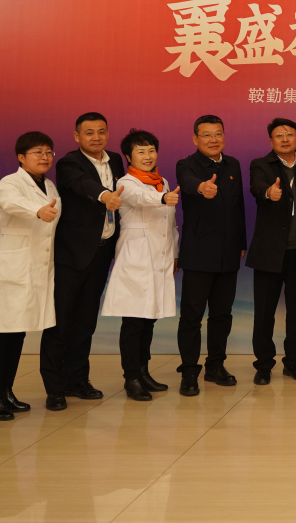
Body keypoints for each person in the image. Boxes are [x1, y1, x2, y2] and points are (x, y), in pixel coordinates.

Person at [43, 112, 124, 411]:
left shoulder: (115, 160)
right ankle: (54, 388)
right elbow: (82, 184)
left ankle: (77, 379)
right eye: (89, 132)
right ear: (77, 136)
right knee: (61, 322)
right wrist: (105, 196)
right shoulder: (68, 163)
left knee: (86, 321)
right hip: (72, 254)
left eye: (101, 131)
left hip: (102, 252)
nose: (96, 137)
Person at [0, 131, 60, 421]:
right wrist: (37, 210)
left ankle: (6, 390)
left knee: (17, 333)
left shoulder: (49, 185)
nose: (45, 157)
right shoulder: (10, 182)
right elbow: (11, 202)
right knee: (0, 333)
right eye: (38, 152)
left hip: (33, 268)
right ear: (21, 157)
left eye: (48, 152)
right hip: (9, 269)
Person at [101, 129, 179, 401]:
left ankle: (144, 372)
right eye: (141, 151)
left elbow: (170, 223)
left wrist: (175, 252)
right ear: (128, 156)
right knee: (134, 321)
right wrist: (162, 198)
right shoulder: (126, 182)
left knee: (149, 320)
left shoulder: (162, 181)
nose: (148, 156)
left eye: (151, 150)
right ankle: (131, 377)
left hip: (159, 256)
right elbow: (139, 198)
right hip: (136, 258)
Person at [175, 114, 247, 396]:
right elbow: (188, 182)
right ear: (196, 139)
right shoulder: (186, 165)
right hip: (199, 253)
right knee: (192, 316)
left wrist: (241, 241)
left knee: (222, 315)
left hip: (228, 252)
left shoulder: (233, 164)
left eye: (218, 134)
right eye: (206, 135)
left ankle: (216, 366)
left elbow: (239, 206)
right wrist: (202, 187)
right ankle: (189, 372)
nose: (213, 140)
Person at [247, 117, 296, 384]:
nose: (285, 139)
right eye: (279, 135)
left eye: (290, 134)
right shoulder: (261, 165)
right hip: (269, 252)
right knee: (264, 312)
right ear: (271, 140)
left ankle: (293, 363)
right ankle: (264, 365)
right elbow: (256, 187)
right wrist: (268, 192)